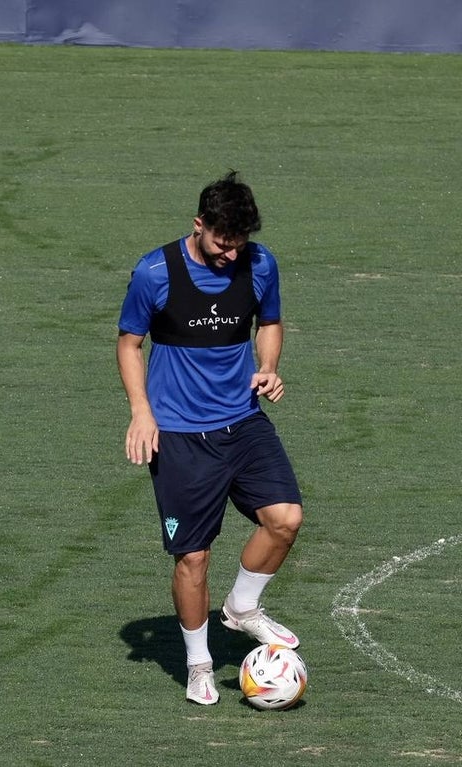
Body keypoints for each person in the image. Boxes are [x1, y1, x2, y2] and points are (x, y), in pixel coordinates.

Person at [116, 172, 304, 704]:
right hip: (178, 435)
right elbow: (130, 345)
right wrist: (141, 413)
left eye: (239, 243)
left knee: (285, 519)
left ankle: (242, 608)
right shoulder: (155, 273)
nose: (230, 254)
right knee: (194, 558)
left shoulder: (260, 263)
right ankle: (199, 664)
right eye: (222, 243)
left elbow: (269, 321)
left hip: (242, 422)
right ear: (198, 225)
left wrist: (269, 365)